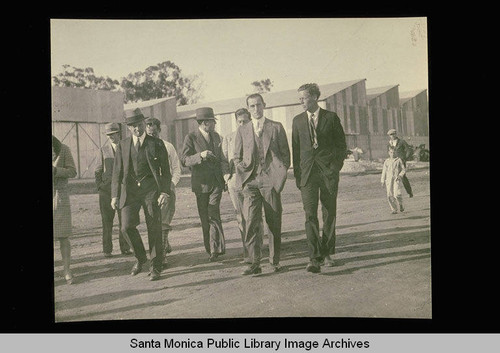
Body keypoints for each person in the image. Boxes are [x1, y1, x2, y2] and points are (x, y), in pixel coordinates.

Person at [292, 83, 347, 274]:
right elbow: (296, 151)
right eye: (299, 98)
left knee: (329, 213)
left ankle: (328, 253)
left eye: (304, 97)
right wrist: (299, 177)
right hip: (307, 175)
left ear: (315, 97)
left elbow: (341, 146)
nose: (301, 101)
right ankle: (314, 258)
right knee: (310, 215)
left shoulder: (331, 118)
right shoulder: (297, 121)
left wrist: (334, 168)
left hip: (328, 174)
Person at [111, 108, 171, 281]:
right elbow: (117, 172)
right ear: (128, 128)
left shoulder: (156, 144)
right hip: (129, 191)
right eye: (133, 126)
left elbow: (165, 172)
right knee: (126, 227)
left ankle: (155, 266)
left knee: (154, 227)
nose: (137, 129)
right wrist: (115, 195)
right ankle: (140, 257)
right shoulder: (123, 145)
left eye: (139, 124)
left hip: (151, 190)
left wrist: (164, 192)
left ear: (144, 123)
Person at [233, 93, 290, 275]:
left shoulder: (276, 127)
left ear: (264, 105)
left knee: (273, 222)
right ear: (248, 109)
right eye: (252, 106)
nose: (256, 109)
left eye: (258, 105)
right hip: (250, 182)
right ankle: (253, 263)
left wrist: (277, 179)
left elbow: (285, 156)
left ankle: (274, 261)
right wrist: (245, 174)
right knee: (251, 222)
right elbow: (236, 156)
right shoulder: (243, 130)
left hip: (270, 182)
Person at [180, 107, 229, 262]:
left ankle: (216, 249)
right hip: (201, 185)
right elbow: (184, 160)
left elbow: (222, 158)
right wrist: (200, 155)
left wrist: (225, 176)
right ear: (204, 123)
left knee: (213, 212)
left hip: (216, 182)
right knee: (205, 217)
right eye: (212, 122)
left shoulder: (217, 137)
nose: (214, 124)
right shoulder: (191, 137)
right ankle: (210, 248)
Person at [222, 108, 263, 264]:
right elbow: (223, 159)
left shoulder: (255, 134)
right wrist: (227, 177)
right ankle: (247, 251)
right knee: (241, 217)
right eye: (239, 121)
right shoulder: (229, 138)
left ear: (250, 120)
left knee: (254, 216)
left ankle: (257, 249)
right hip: (235, 182)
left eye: (245, 121)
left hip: (252, 181)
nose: (242, 124)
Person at [145, 117, 181, 267]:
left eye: (154, 133)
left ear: (159, 131)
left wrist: (170, 186)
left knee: (164, 221)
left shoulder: (168, 146)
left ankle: (163, 256)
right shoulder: (143, 147)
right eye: (149, 133)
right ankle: (164, 244)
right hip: (150, 191)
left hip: (166, 189)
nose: (151, 136)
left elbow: (176, 169)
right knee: (154, 222)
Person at [95, 122, 132, 258]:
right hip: (106, 191)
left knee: (124, 220)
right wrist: (100, 186)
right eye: (108, 135)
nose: (111, 137)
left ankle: (125, 247)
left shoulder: (126, 147)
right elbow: (98, 170)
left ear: (118, 134)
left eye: (113, 134)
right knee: (107, 221)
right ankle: (107, 250)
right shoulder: (103, 150)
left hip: (123, 190)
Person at [52, 135, 78, 284]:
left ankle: (67, 270)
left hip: (59, 197)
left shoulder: (63, 149)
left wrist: (56, 171)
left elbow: (72, 171)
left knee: (63, 236)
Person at [387, 129, 413, 198]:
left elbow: (408, 150)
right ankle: (395, 194)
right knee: (393, 177)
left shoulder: (401, 142)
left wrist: (405, 159)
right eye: (390, 135)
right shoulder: (389, 143)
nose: (392, 136)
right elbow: (389, 152)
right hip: (393, 163)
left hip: (401, 161)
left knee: (403, 177)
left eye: (393, 134)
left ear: (396, 134)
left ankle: (409, 192)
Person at [381, 146, 406, 214]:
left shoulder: (398, 160)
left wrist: (400, 175)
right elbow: (384, 171)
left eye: (394, 152)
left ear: (396, 152)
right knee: (389, 195)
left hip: (396, 179)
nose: (393, 154)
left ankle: (400, 204)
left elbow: (403, 169)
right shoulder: (386, 161)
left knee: (397, 194)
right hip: (388, 180)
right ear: (389, 153)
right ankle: (394, 209)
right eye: (391, 152)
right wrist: (382, 180)